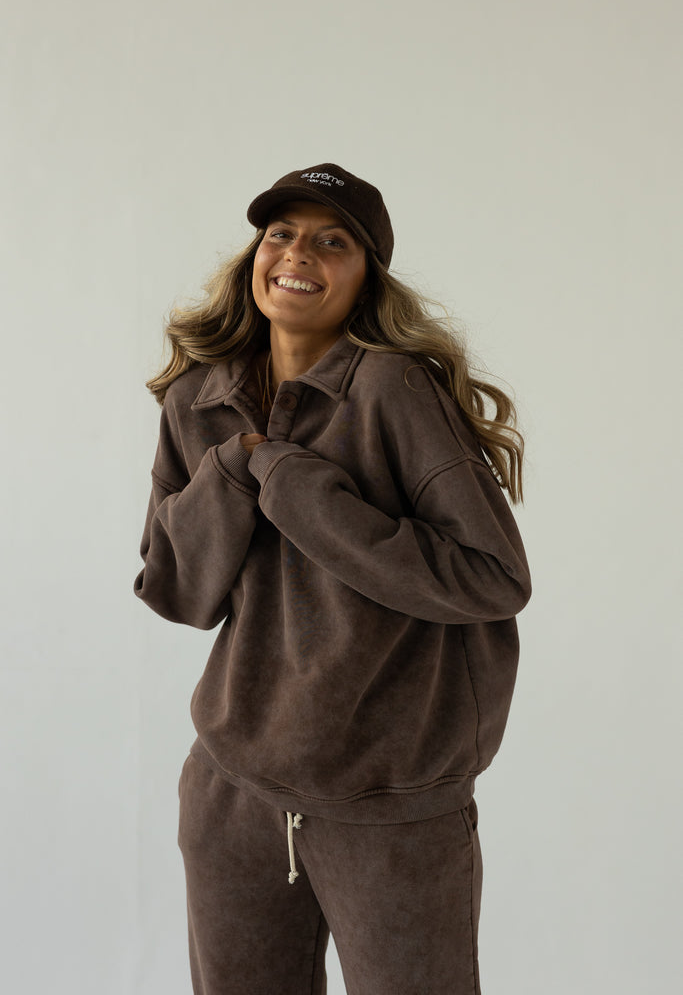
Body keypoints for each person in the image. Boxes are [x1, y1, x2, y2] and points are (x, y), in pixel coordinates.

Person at [134, 162, 531, 995]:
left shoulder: (393, 389)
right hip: (232, 790)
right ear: (254, 255)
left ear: (367, 276)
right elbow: (175, 590)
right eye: (279, 233)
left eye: (331, 241)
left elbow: (492, 578)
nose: (296, 253)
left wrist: (295, 488)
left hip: (390, 804)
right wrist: (231, 473)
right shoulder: (199, 399)